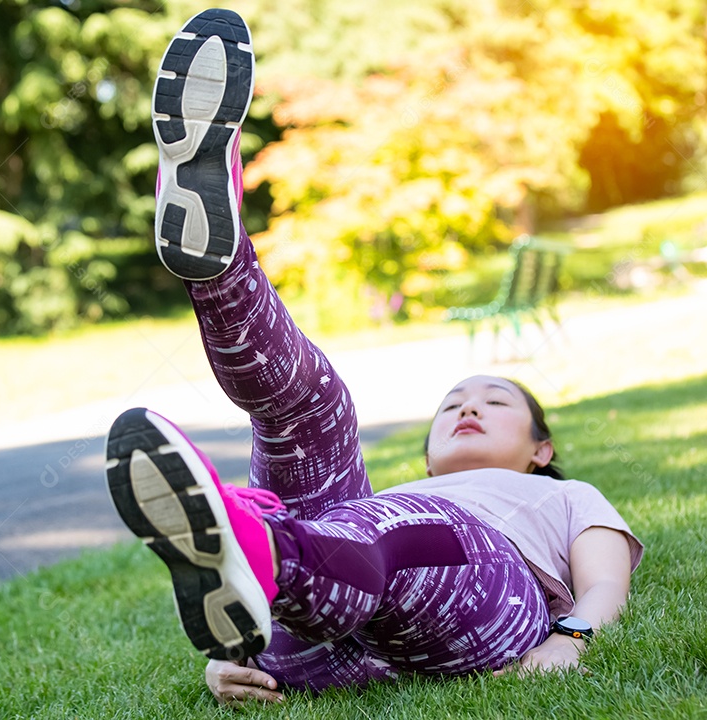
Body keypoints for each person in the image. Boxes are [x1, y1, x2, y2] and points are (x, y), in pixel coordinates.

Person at [104, 8, 643, 706]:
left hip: (477, 606)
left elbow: (604, 584)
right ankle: (220, 266)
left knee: (392, 534)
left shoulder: (566, 497)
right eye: (452, 404)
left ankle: (254, 543)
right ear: (428, 458)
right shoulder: (403, 496)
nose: (468, 407)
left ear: (542, 450)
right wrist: (231, 658)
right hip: (327, 617)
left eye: (495, 400)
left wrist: (569, 640)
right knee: (319, 411)